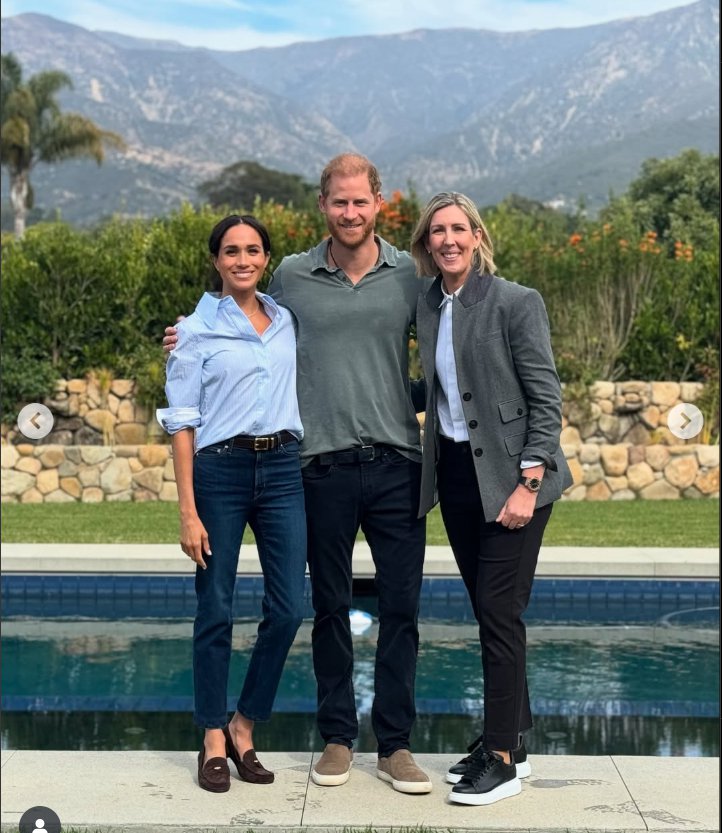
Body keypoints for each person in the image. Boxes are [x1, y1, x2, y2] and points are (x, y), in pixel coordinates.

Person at [165, 154, 432, 795]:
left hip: (388, 461)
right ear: (323, 205)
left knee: (375, 609)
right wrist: (186, 332)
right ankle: (319, 739)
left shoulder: (409, 276)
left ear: (378, 203)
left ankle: (388, 745)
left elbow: (446, 350)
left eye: (359, 202)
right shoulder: (288, 279)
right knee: (312, 609)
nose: (349, 212)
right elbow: (225, 337)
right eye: (338, 202)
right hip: (310, 467)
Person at [410, 192, 573, 806]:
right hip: (454, 475)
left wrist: (528, 483)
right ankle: (514, 740)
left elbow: (545, 398)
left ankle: (501, 760)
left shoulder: (515, 301)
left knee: (500, 614)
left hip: (513, 480)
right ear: (427, 243)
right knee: (489, 610)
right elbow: (438, 386)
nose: (448, 239)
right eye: (437, 231)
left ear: (477, 236)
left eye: (458, 229)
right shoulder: (428, 304)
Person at [156, 214, 306, 793]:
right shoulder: (192, 330)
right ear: (216, 260)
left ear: (266, 256)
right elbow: (183, 423)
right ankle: (213, 737)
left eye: (252, 250)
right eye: (230, 251)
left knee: (290, 606)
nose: (242, 260)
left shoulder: (287, 320)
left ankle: (245, 723)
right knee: (215, 607)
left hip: (283, 470)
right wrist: (188, 511)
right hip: (219, 472)